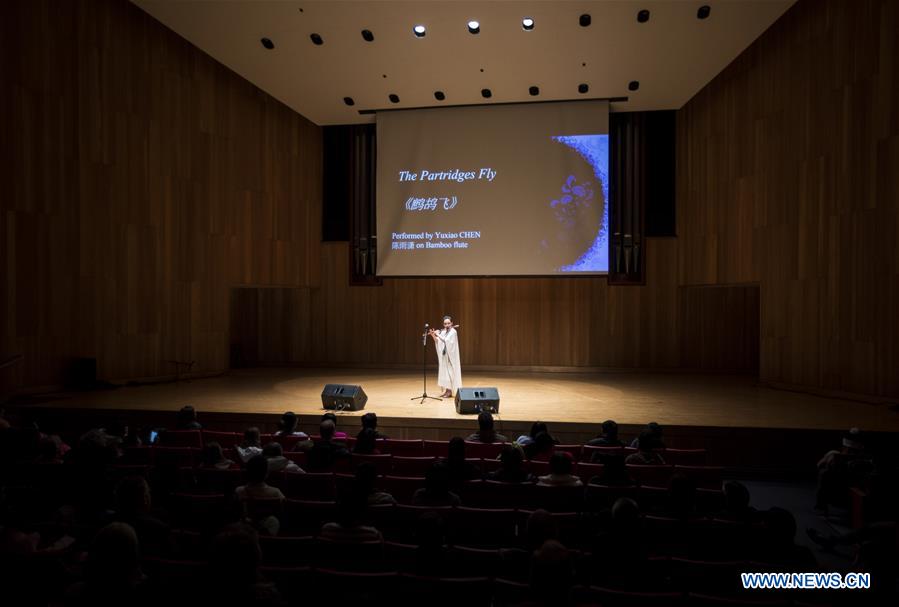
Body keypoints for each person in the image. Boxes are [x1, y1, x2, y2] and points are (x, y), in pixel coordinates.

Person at [113, 476, 174, 557]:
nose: (150, 496)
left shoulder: (104, 522)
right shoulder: (159, 530)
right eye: (148, 492)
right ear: (144, 499)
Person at [429, 315, 462, 398]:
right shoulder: (443, 332)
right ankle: (447, 390)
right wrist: (433, 335)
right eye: (445, 323)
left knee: (450, 373)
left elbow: (446, 340)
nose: (447, 325)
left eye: (448, 323)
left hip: (450, 357)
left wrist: (438, 334)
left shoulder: (453, 331)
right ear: (443, 324)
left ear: (451, 323)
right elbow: (438, 342)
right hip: (444, 356)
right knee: (445, 374)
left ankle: (450, 391)